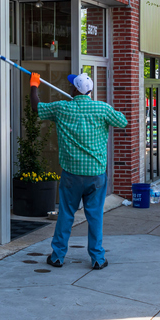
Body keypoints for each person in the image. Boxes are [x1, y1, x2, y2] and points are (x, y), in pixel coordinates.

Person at [30, 72, 128, 269]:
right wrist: (104, 112)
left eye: (71, 86)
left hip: (71, 175)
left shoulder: (62, 108)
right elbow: (122, 121)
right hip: (96, 175)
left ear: (75, 90)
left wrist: (34, 85)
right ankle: (98, 258)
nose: (69, 88)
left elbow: (36, 107)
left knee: (66, 214)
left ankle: (57, 256)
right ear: (89, 91)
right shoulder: (101, 108)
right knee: (95, 216)